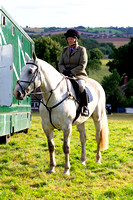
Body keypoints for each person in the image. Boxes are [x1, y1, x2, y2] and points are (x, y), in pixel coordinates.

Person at [58, 28, 89, 116]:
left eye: (71, 39)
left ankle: (85, 107)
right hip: (65, 74)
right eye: (68, 39)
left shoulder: (81, 50)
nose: (69, 40)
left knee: (82, 87)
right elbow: (60, 63)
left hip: (79, 75)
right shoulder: (64, 50)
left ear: (75, 39)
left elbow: (83, 64)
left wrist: (71, 72)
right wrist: (64, 71)